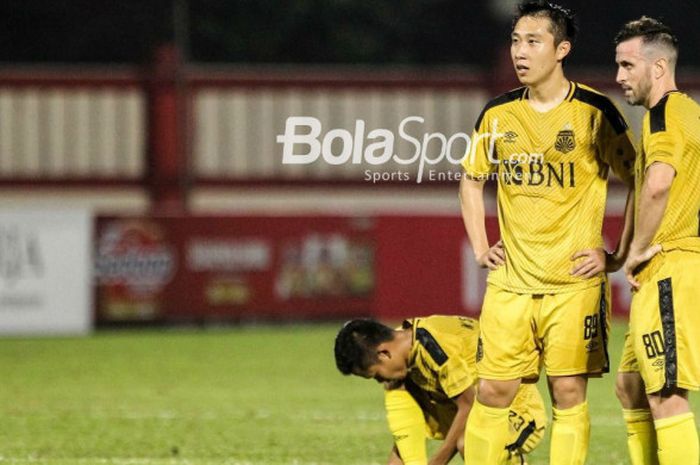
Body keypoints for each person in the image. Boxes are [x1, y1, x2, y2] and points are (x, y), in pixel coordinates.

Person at [459, 2, 637, 464]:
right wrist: (480, 246)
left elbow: (639, 180)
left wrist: (616, 255)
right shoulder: (497, 114)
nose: (520, 51)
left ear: (562, 49)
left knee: (567, 390)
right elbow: (472, 179)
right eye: (516, 40)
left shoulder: (596, 111)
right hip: (511, 284)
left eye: (532, 41)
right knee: (493, 389)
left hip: (572, 284)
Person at [613, 16, 700, 465]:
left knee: (666, 393)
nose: (619, 77)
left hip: (670, 264)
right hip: (667, 265)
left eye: (628, 65)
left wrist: (640, 249)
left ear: (659, 67)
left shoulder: (666, 113)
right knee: (630, 384)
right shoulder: (682, 114)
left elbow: (659, 184)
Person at [334, 315, 547, 465]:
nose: (380, 381)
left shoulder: (435, 346)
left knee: (470, 444)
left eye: (376, 374)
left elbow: (469, 404)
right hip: (477, 413)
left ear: (384, 354)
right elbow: (405, 430)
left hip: (516, 408)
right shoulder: (405, 345)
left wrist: (437, 461)